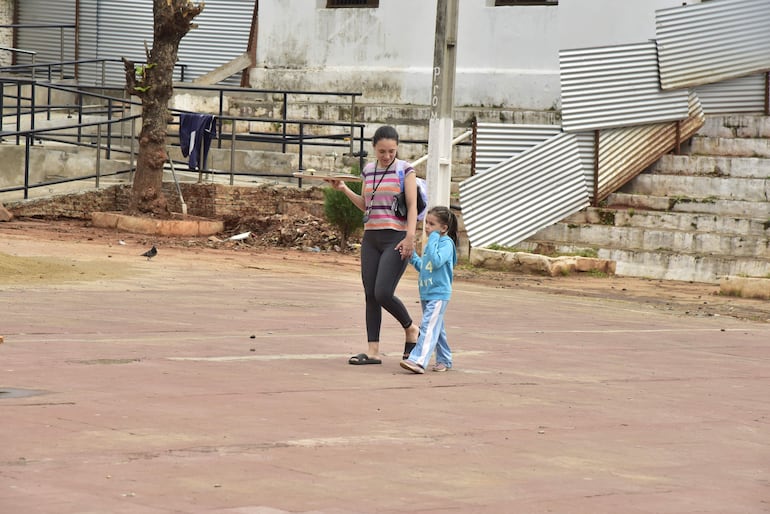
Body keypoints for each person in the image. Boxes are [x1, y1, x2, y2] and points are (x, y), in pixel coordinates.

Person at [329, 125, 420, 365]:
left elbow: (412, 206)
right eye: (382, 151)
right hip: (371, 238)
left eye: (391, 151)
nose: (387, 156)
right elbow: (365, 205)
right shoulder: (369, 171)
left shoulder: (405, 170)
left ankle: (411, 329)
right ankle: (373, 351)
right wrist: (343, 189)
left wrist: (410, 236)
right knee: (370, 294)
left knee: (383, 292)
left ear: (397, 148)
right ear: (374, 148)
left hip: (396, 237)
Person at [400, 206, 458, 374]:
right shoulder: (432, 244)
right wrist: (412, 257)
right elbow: (426, 267)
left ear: (444, 228)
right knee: (436, 328)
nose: (427, 227)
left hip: (439, 294)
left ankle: (418, 360)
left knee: (428, 326)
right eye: (426, 223)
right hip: (427, 293)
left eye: (432, 224)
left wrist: (433, 238)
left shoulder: (446, 243)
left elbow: (437, 261)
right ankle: (444, 359)